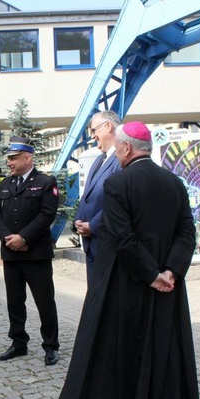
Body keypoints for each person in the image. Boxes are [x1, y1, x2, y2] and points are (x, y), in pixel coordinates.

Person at [59, 122, 199, 399]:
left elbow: (121, 237)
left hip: (128, 277)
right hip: (169, 281)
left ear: (125, 148)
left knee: (124, 342)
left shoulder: (118, 183)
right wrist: (170, 271)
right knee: (165, 339)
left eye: (119, 150)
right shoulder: (174, 182)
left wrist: (150, 275)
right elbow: (187, 232)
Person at [0, 136, 60, 366]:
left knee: (44, 302)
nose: (9, 162)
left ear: (27, 158)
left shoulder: (45, 182)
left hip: (35, 254)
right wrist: (8, 239)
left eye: (13, 158)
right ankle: (18, 342)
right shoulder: (5, 184)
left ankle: (50, 346)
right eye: (8, 158)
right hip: (11, 253)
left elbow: (46, 215)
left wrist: (24, 237)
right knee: (14, 301)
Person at [74, 110, 122, 285]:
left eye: (94, 131)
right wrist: (78, 220)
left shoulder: (121, 159)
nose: (93, 136)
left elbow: (118, 203)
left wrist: (93, 225)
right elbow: (88, 196)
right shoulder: (98, 160)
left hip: (107, 243)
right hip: (92, 243)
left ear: (108, 126)